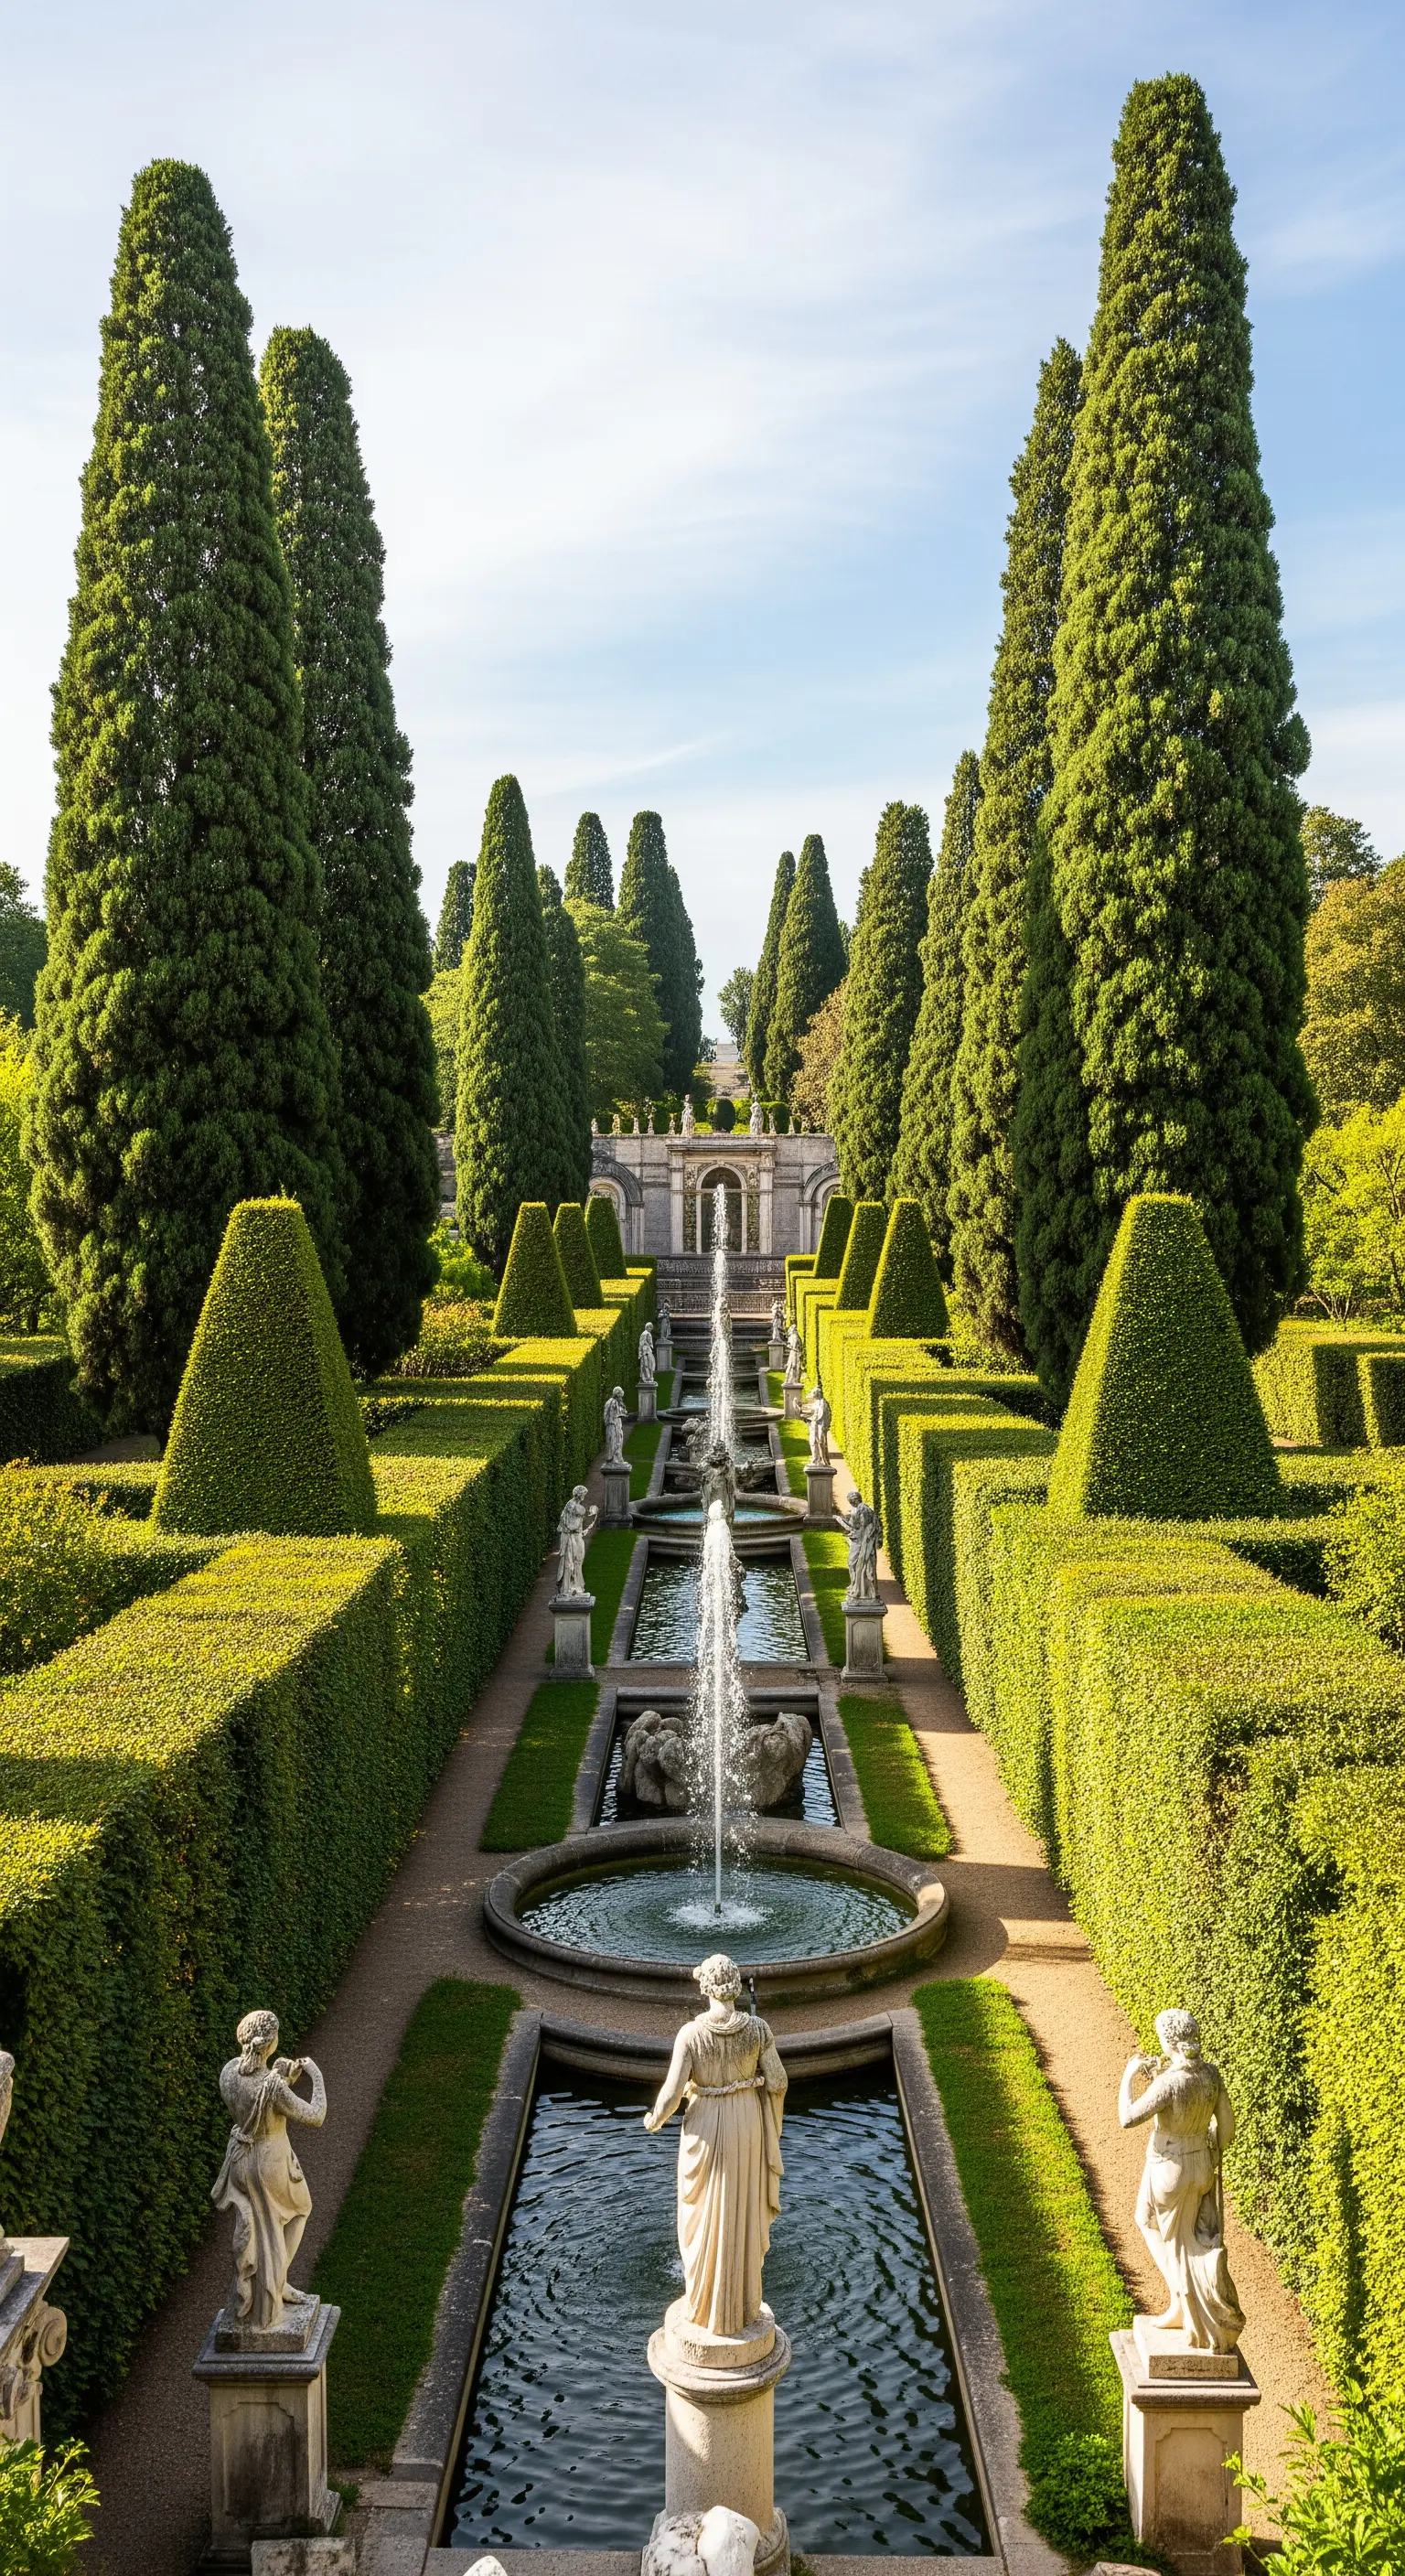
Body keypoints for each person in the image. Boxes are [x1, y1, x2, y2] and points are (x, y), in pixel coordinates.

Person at [644, 1954, 787, 2337]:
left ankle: (705, 2304)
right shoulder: (758, 2030)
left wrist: (654, 2119)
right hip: (746, 2123)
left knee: (702, 2214)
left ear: (704, 1986)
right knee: (742, 2208)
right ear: (736, 1986)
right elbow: (778, 2081)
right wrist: (771, 2121)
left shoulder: (690, 2034)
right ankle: (742, 2305)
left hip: (705, 2122)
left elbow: (673, 2094)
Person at [1118, 2007, 1244, 2352]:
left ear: (1168, 2040)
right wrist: (1213, 2150)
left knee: (1177, 2244)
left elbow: (1128, 2118)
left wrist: (1129, 2076)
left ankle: (1188, 2307)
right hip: (1201, 2164)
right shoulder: (1210, 2075)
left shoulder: (1170, 2083)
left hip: (1169, 2168)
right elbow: (1227, 2128)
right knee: (1148, 2221)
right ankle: (1179, 2301)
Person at [212, 2010, 327, 2334]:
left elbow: (251, 2105)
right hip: (270, 2160)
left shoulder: (229, 2071)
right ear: (271, 2043)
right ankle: (276, 2283)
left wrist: (282, 2078)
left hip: (240, 2159)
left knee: (261, 2230)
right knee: (301, 2209)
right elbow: (315, 2115)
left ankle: (272, 2285)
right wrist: (315, 2077)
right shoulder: (271, 2087)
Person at [556, 1484, 597, 1596]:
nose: (584, 1496)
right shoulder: (573, 1506)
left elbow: (580, 1521)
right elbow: (573, 1524)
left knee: (577, 1561)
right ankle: (568, 1588)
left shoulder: (573, 1505)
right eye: (584, 1494)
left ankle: (575, 1586)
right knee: (571, 1562)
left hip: (575, 1537)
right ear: (579, 1495)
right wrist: (592, 1514)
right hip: (570, 1538)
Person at [838, 1491, 878, 1600]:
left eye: (851, 1502)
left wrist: (840, 1520)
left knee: (852, 1563)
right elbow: (876, 1527)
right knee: (862, 1565)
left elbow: (854, 1528)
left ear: (854, 1500)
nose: (850, 1504)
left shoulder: (858, 1510)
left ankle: (856, 1586)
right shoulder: (869, 1509)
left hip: (859, 1542)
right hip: (866, 1542)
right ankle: (859, 1587)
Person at [806, 1385, 831, 1468]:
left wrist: (808, 1417)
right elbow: (813, 1413)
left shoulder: (822, 1403)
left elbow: (820, 1417)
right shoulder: (817, 1402)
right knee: (813, 1441)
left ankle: (822, 1461)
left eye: (813, 1393)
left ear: (817, 1394)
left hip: (820, 1427)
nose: (812, 1394)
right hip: (815, 1426)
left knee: (821, 1443)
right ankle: (816, 1459)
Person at [604, 1386, 627, 1465]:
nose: (621, 1398)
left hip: (614, 1424)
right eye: (620, 1396)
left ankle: (617, 1458)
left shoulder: (612, 1402)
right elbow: (618, 1413)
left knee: (617, 1441)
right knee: (615, 1441)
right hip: (613, 1425)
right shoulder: (613, 1402)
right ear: (618, 1395)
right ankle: (614, 1459)